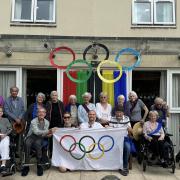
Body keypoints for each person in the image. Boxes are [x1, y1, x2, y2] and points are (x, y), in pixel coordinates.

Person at [21, 107, 55, 176]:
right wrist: (48, 131)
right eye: (39, 112)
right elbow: (36, 132)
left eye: (43, 112)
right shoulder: (33, 121)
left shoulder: (47, 122)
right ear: (37, 114)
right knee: (27, 143)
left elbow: (44, 134)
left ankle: (39, 165)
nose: (41, 113)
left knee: (38, 144)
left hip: (40, 137)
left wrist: (48, 134)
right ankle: (26, 166)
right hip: (31, 136)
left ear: (45, 114)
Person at [109, 107, 132, 176]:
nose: (119, 114)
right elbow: (110, 130)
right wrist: (108, 127)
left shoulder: (126, 118)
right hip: (114, 139)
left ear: (123, 113)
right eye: (117, 112)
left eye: (120, 112)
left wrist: (129, 129)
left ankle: (124, 167)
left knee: (127, 148)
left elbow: (130, 130)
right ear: (115, 113)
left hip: (124, 138)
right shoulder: (112, 119)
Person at [4, 86, 25, 156]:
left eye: (16, 91)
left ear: (17, 92)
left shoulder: (21, 100)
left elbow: (23, 110)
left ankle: (17, 152)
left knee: (19, 137)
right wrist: (15, 118)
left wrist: (19, 118)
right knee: (11, 136)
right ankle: (10, 152)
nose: (14, 92)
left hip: (19, 122)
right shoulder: (7, 100)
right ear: (10, 92)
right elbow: (6, 111)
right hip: (11, 122)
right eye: (13, 91)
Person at [46, 91, 64, 156]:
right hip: (50, 124)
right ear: (51, 96)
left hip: (59, 125)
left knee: (59, 140)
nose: (54, 96)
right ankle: (51, 154)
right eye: (53, 95)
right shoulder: (48, 103)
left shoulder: (61, 103)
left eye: (55, 95)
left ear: (57, 96)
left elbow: (63, 113)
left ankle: (59, 154)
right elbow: (46, 114)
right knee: (51, 140)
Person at [0, 107, 12, 174]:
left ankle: (3, 165)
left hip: (4, 135)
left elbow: (10, 129)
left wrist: (5, 134)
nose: (0, 112)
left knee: (6, 141)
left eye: (1, 111)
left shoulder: (5, 120)